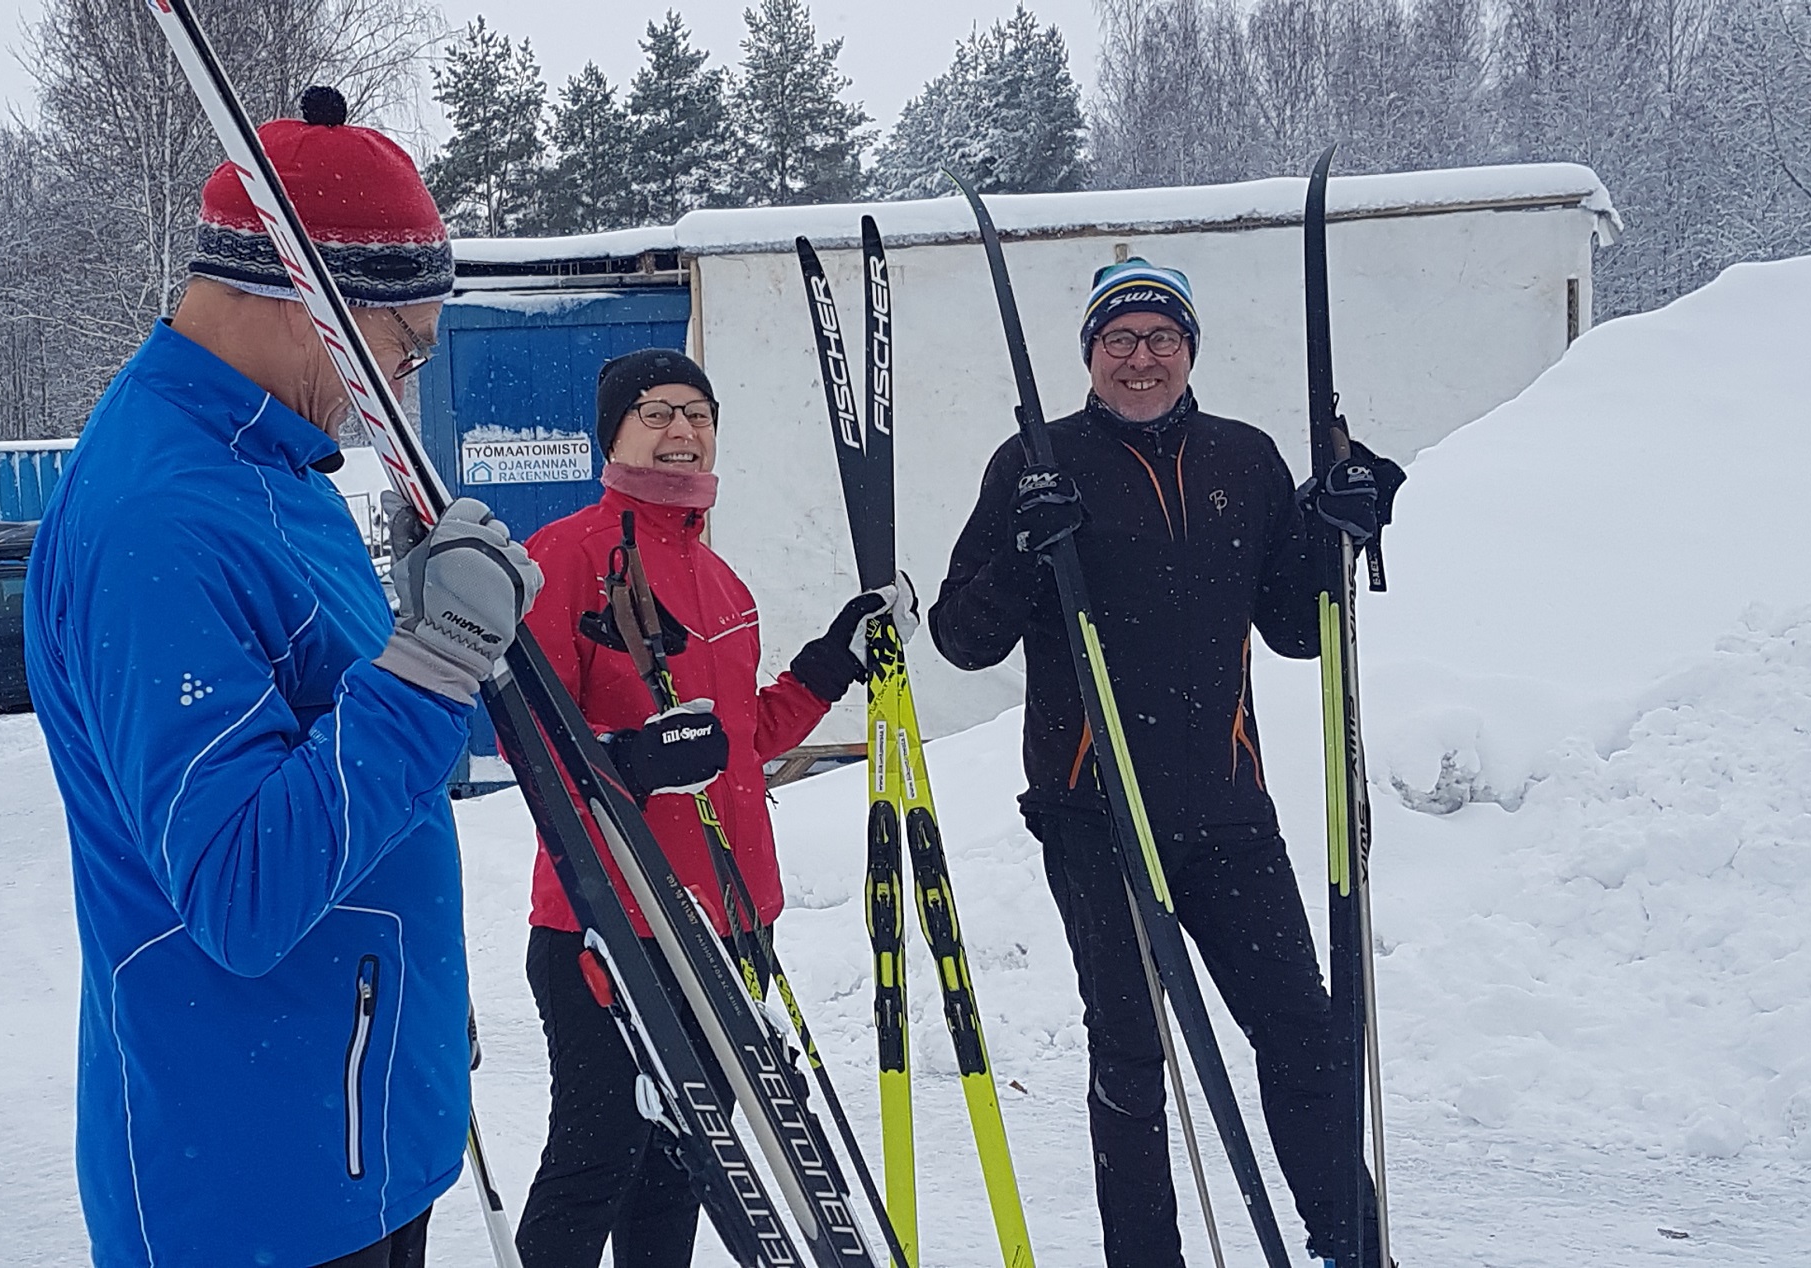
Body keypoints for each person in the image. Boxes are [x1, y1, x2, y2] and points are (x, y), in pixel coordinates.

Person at [25, 88, 544, 1268]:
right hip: (254, 1179)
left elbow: (347, 751)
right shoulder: (161, 518)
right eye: (399, 348)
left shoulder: (272, 467)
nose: (399, 393)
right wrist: (434, 661)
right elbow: (241, 885)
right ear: (302, 296)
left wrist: (418, 636)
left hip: (345, 1104)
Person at [929, 259, 1404, 1268]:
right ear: (1090, 353)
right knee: (1133, 1056)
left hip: (1228, 805)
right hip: (1091, 808)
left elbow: (1294, 628)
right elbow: (962, 636)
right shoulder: (1035, 461)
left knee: (1304, 1035)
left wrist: (1342, 524)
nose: (1140, 358)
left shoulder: (1246, 457)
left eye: (1161, 338)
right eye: (1119, 339)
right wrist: (1027, 543)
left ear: (1190, 348)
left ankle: (1349, 1243)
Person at [509, 348, 915, 1268]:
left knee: (692, 1169)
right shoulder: (566, 556)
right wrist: (630, 761)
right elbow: (523, 740)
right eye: (656, 412)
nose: (682, 430)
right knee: (594, 1160)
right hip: (610, 921)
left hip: (729, 920)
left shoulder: (722, 582)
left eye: (698, 412)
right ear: (611, 433)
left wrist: (830, 662)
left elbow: (741, 739)